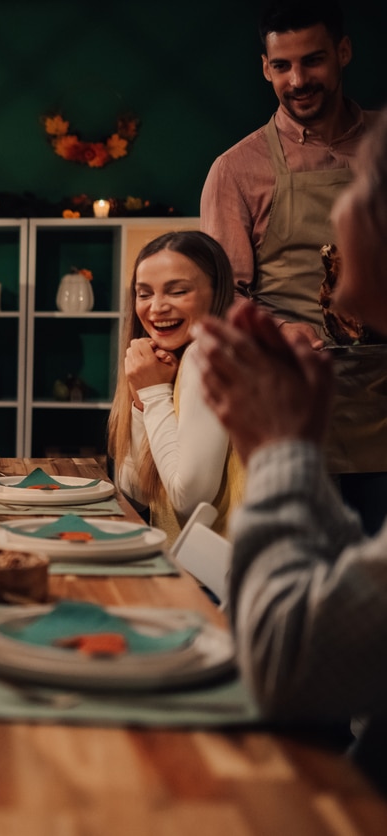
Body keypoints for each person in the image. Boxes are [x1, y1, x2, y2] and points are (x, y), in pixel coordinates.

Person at [195, 112, 387, 793]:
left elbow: (292, 669)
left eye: (357, 194)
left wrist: (277, 453)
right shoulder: (238, 163)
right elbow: (348, 619)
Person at [199, 0, 386, 531]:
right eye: (282, 66)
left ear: (344, 52)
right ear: (265, 67)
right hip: (295, 411)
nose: (298, 79)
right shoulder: (237, 169)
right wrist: (281, 331)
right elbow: (220, 297)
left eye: (314, 60)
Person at [107, 231, 239, 543]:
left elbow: (190, 503)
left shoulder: (208, 354)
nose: (156, 308)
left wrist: (153, 394)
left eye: (177, 292)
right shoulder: (173, 359)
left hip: (228, 585)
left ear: (217, 292)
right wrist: (142, 398)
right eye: (144, 294)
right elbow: (137, 490)